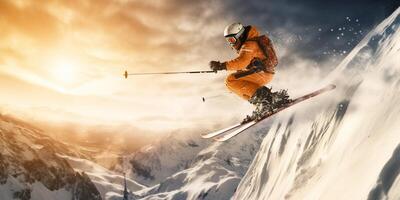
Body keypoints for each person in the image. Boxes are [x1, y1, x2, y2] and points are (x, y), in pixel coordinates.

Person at [209, 22, 291, 122]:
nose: (231, 44)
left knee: (230, 80)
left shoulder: (248, 45)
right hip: (262, 73)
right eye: (228, 41)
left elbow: (241, 62)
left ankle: (265, 101)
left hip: (262, 73)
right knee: (235, 84)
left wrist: (222, 65)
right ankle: (269, 100)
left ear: (240, 35)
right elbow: (244, 65)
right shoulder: (249, 44)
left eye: (232, 40)